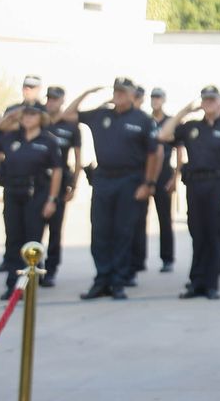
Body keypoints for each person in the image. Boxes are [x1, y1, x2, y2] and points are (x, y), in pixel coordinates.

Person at [60, 78, 163, 300]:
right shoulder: (101, 114)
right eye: (116, 91)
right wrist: (87, 91)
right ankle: (102, 279)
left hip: (130, 179)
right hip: (104, 177)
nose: (119, 95)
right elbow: (67, 115)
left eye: (123, 92)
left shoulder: (142, 120)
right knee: (100, 231)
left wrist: (148, 184)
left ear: (133, 95)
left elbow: (153, 154)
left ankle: (118, 281)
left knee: (123, 231)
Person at [158, 87, 220, 300]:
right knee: (197, 234)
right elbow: (163, 134)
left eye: (212, 99)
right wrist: (185, 111)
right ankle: (196, 282)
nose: (208, 103)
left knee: (214, 235)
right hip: (196, 185)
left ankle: (211, 283)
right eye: (205, 99)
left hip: (219, 185)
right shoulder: (191, 127)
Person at [0, 104, 62, 300]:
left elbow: (57, 171)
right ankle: (13, 284)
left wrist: (52, 200)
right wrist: (6, 118)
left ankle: (30, 282)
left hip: (36, 193)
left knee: (32, 238)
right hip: (13, 192)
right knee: (13, 239)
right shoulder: (11, 138)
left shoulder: (48, 141)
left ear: (41, 118)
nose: (28, 118)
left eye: (32, 115)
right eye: (25, 115)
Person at [41, 86, 81, 287]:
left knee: (55, 230)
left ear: (62, 101)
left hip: (61, 181)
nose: (51, 102)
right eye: (49, 99)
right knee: (35, 227)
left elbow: (77, 157)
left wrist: (74, 183)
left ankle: (51, 269)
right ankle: (35, 267)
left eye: (55, 99)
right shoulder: (39, 122)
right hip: (39, 180)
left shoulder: (71, 126)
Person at [143, 88, 176, 275]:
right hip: (146, 173)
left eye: (158, 97)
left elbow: (179, 150)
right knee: (139, 218)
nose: (155, 101)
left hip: (164, 173)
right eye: (153, 97)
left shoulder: (169, 122)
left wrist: (175, 177)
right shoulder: (146, 121)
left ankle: (167, 258)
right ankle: (138, 258)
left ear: (163, 100)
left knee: (165, 218)